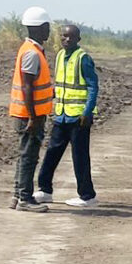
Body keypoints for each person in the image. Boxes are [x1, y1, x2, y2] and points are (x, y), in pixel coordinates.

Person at [35, 24, 99, 207]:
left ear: (78, 39)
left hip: (79, 118)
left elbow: (93, 86)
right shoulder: (60, 56)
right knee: (51, 153)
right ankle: (45, 190)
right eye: (64, 36)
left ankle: (87, 196)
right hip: (61, 115)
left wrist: (87, 112)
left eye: (71, 37)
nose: (67, 40)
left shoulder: (83, 58)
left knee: (80, 157)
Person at [9, 7, 54, 211]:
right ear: (39, 28)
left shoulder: (29, 49)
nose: (49, 32)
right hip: (30, 115)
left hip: (28, 113)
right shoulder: (32, 54)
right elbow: (27, 86)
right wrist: (33, 117)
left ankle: (18, 195)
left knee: (24, 155)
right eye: (47, 28)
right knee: (29, 156)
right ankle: (25, 199)